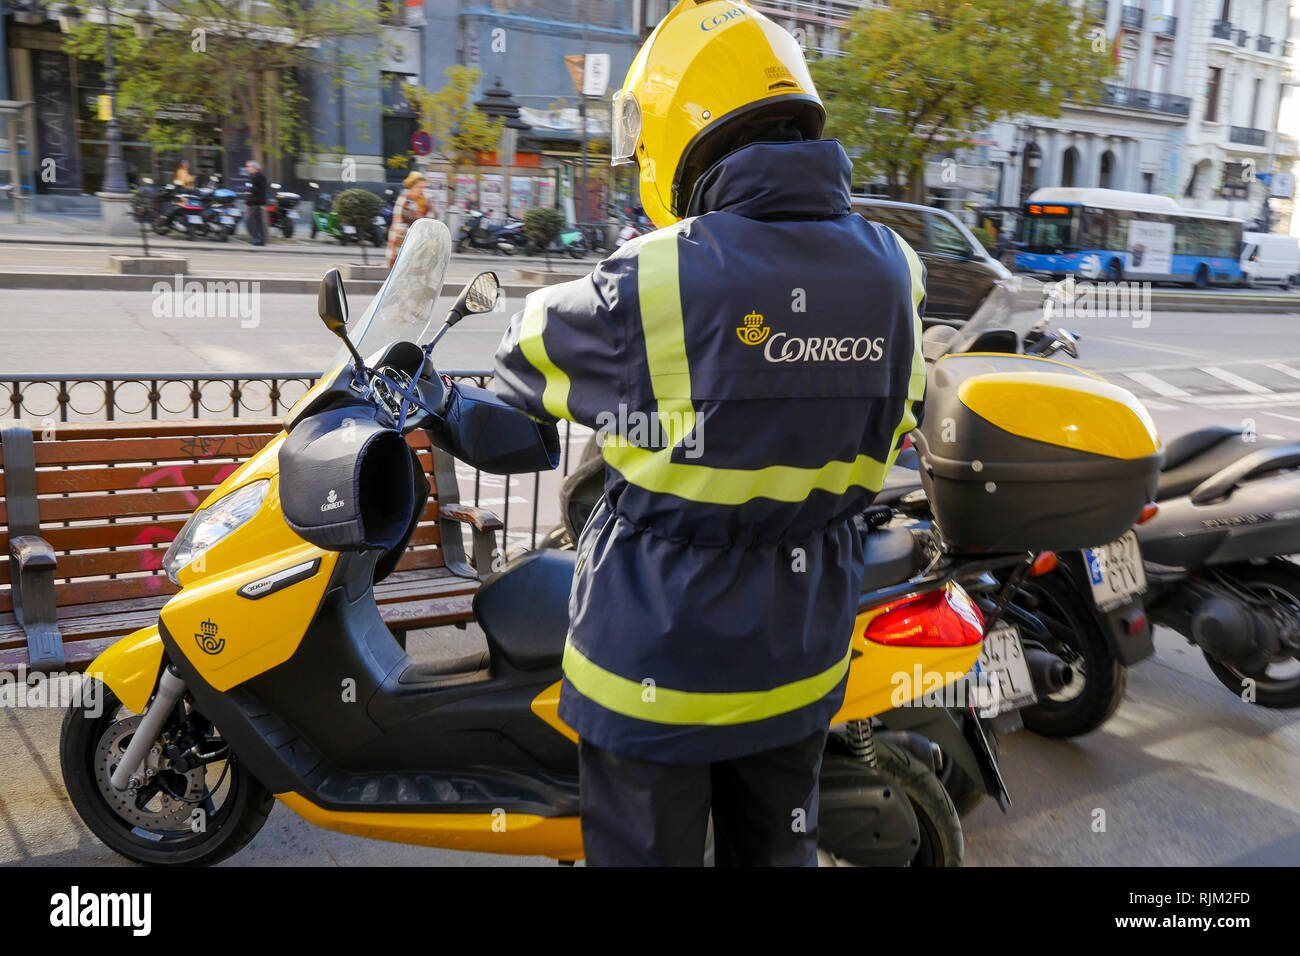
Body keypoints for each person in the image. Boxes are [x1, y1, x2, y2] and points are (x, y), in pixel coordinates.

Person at [491, 0, 926, 867]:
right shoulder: (898, 271)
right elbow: (895, 419)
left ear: (676, 132)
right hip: (801, 657)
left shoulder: (656, 276)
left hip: (653, 672)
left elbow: (519, 359)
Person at [388, 171, 439, 268]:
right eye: (420, 187)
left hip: (418, 240)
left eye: (424, 187)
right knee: (400, 269)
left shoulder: (425, 200)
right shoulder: (405, 199)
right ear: (411, 186)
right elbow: (403, 218)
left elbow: (433, 218)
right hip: (402, 239)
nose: (422, 190)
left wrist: (432, 208)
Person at [244, 159, 268, 247]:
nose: (247, 168)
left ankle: (257, 239)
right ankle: (260, 239)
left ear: (255, 167)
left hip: (256, 203)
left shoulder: (258, 177)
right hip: (254, 203)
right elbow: (252, 191)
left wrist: (262, 203)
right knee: (257, 221)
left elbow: (260, 191)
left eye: (249, 167)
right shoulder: (254, 176)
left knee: (252, 221)